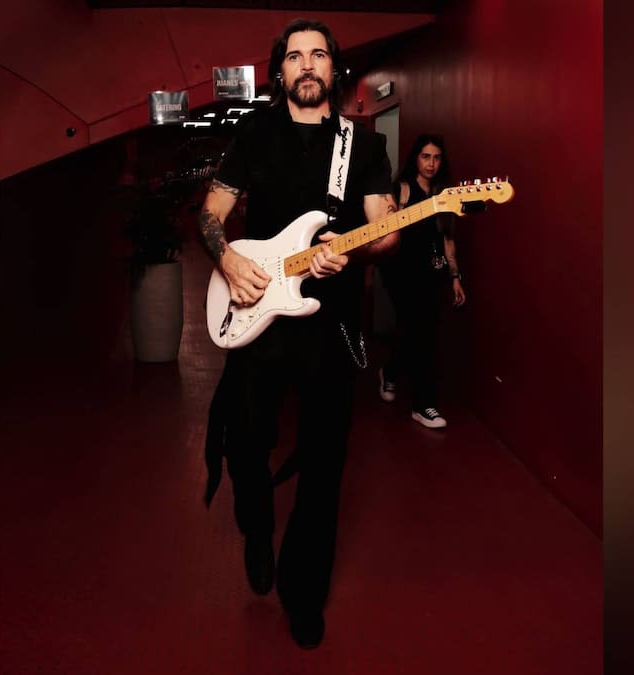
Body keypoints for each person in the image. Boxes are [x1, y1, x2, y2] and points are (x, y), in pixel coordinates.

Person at [197, 18, 398, 649]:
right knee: (244, 443)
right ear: (279, 70)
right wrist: (227, 259)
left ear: (334, 69)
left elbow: (385, 230)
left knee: (325, 461)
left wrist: (354, 250)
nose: (307, 64)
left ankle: (303, 590)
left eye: (318, 55)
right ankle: (257, 526)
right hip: (259, 313)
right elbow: (211, 214)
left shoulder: (363, 146)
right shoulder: (254, 133)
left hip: (329, 322)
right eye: (294, 56)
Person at [377, 134, 466, 428]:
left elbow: (448, 239)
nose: (431, 163)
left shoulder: (444, 194)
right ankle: (423, 404)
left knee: (421, 334)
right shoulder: (401, 189)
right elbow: (383, 231)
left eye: (437, 157)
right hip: (401, 272)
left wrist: (455, 277)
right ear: (416, 158)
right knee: (418, 334)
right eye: (426, 156)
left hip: (433, 272)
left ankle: (392, 374)